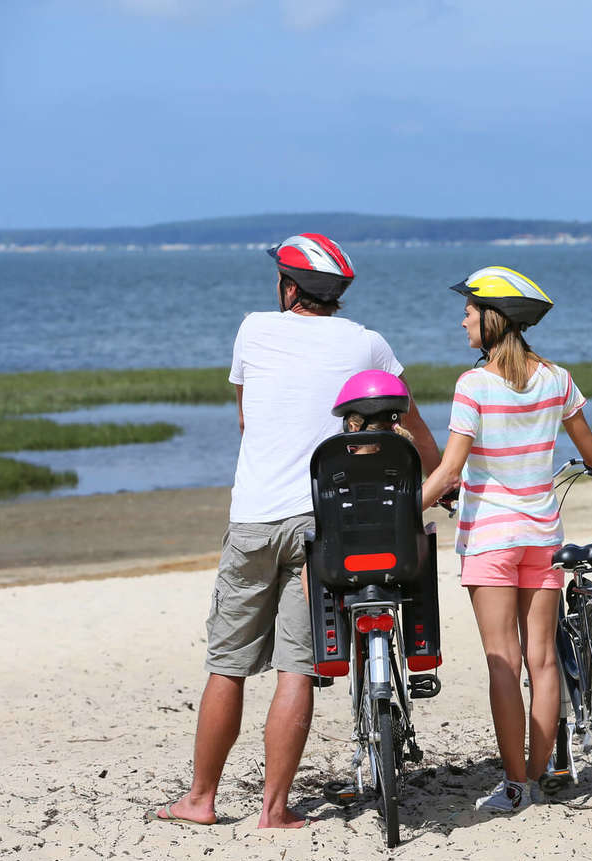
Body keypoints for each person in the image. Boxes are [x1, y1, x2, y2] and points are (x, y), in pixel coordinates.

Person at [152, 234, 442, 829]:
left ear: (289, 288)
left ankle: (200, 800)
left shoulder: (252, 329)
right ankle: (275, 809)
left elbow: (245, 419)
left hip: (254, 519)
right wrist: (439, 476)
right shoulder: (367, 343)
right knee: (297, 669)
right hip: (322, 527)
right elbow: (409, 423)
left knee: (227, 665)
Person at [419, 265, 592, 814]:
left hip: (490, 538)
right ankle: (538, 774)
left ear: (493, 318)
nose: (462, 321)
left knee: (503, 663)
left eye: (468, 311)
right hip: (542, 537)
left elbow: (449, 472)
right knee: (543, 660)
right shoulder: (558, 379)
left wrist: (402, 509)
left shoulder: (473, 385)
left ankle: (514, 786)